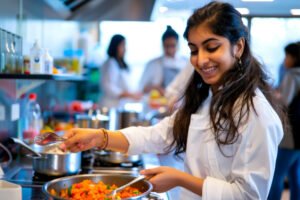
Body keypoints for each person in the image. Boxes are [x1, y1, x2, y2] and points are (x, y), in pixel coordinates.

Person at [60, 2, 287, 199]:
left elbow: (248, 195)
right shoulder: (207, 98)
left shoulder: (256, 114)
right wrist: (99, 137)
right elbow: (159, 135)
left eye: (211, 47)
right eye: (194, 50)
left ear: (238, 47)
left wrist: (180, 179)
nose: (200, 60)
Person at [268, 42, 300, 200]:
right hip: (298, 134)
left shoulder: (292, 75)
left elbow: (284, 102)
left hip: (291, 135)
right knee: (295, 173)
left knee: (276, 174)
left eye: (287, 56)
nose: (284, 59)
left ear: (294, 58)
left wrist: (270, 93)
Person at [140, 25, 188, 94]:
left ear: (178, 44)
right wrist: (156, 88)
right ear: (162, 45)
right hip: (159, 102)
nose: (170, 50)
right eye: (167, 46)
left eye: (172, 45)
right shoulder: (153, 64)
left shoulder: (185, 62)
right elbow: (142, 89)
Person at [100, 34, 142, 108]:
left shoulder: (121, 63)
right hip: (109, 106)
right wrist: (128, 94)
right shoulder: (111, 63)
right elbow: (109, 87)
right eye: (122, 46)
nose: (125, 49)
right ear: (115, 46)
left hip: (119, 105)